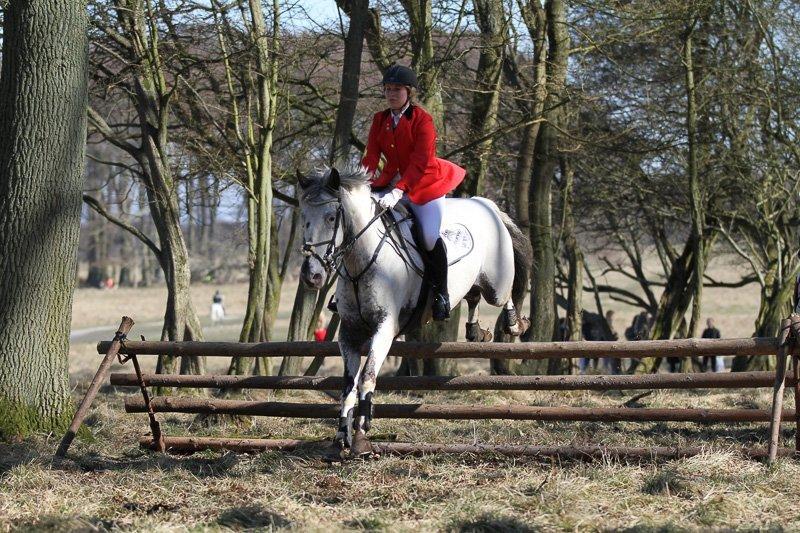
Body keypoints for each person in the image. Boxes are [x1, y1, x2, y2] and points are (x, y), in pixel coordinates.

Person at [362, 64, 466, 321]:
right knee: (359, 226)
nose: (391, 94)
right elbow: (372, 156)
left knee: (429, 237)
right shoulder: (380, 120)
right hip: (389, 184)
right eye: (387, 89)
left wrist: (398, 191)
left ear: (409, 92)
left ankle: (442, 293)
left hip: (424, 186)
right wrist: (362, 182)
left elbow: (420, 163)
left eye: (396, 89)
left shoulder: (423, 120)